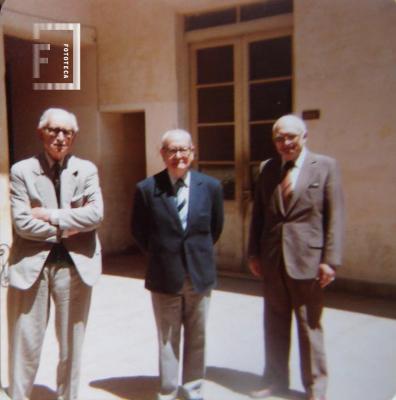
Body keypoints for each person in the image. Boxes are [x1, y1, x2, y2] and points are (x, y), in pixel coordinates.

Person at [8, 108, 104, 400]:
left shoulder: (86, 170)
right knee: (25, 342)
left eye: (67, 133)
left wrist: (50, 216)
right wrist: (70, 224)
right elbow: (23, 223)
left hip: (74, 267)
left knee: (71, 344)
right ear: (42, 133)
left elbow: (96, 215)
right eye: (54, 131)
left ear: (74, 136)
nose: (61, 138)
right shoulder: (22, 171)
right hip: (31, 267)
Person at [248, 114, 344, 400]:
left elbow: (335, 216)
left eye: (291, 137)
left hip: (308, 261)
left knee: (309, 326)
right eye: (279, 138)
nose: (285, 143)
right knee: (274, 324)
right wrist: (254, 252)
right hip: (273, 259)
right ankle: (276, 382)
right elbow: (259, 215)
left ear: (304, 136)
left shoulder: (326, 166)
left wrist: (330, 260)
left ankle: (316, 388)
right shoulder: (267, 168)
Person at [131, 129, 224, 400]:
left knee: (198, 337)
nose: (178, 156)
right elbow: (139, 230)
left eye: (183, 150)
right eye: (172, 150)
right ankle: (169, 392)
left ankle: (193, 390)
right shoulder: (147, 189)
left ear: (192, 152)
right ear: (162, 154)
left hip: (199, 275)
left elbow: (215, 228)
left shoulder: (211, 187)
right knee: (167, 339)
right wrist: (164, 254)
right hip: (164, 275)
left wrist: (193, 254)